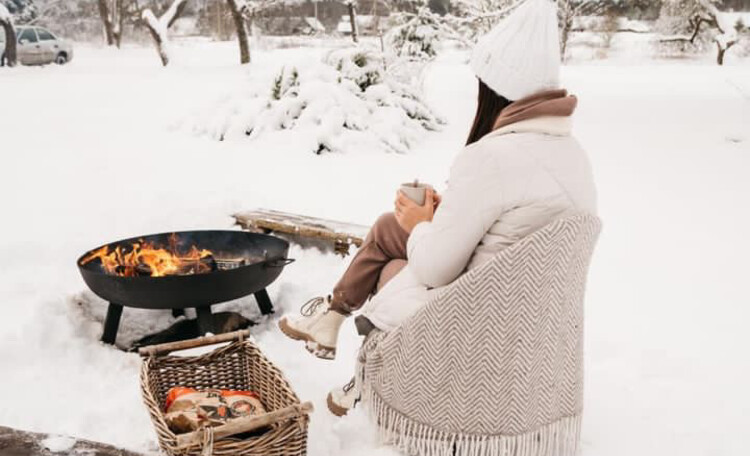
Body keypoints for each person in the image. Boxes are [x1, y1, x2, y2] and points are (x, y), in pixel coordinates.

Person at [279, 0, 598, 417]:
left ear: (495, 90)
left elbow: (434, 270)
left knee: (394, 268)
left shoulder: (493, 156)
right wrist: (440, 216)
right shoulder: (570, 152)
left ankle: (368, 370)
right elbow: (513, 226)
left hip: (477, 312)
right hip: (523, 304)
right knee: (388, 225)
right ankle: (333, 315)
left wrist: (424, 222)